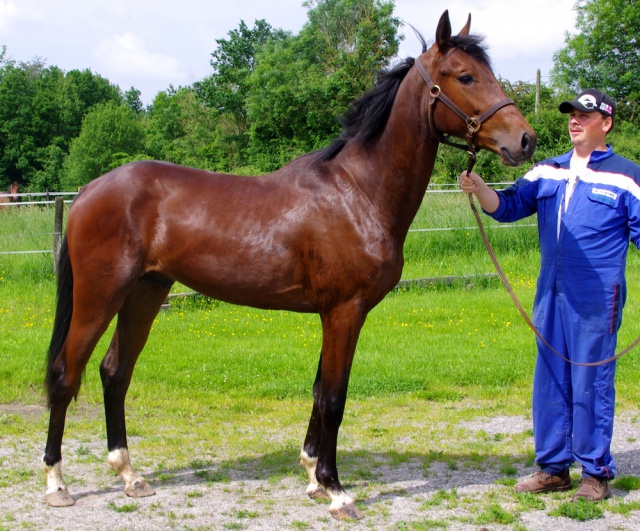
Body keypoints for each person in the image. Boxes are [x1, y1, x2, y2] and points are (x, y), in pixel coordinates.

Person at [459, 89, 640, 502]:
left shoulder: (627, 177)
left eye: (585, 115)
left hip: (597, 300)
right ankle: (553, 468)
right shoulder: (548, 171)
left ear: (605, 123)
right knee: (551, 381)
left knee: (590, 380)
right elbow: (507, 207)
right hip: (549, 296)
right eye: (572, 114)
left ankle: (596, 472)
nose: (575, 120)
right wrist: (479, 187)